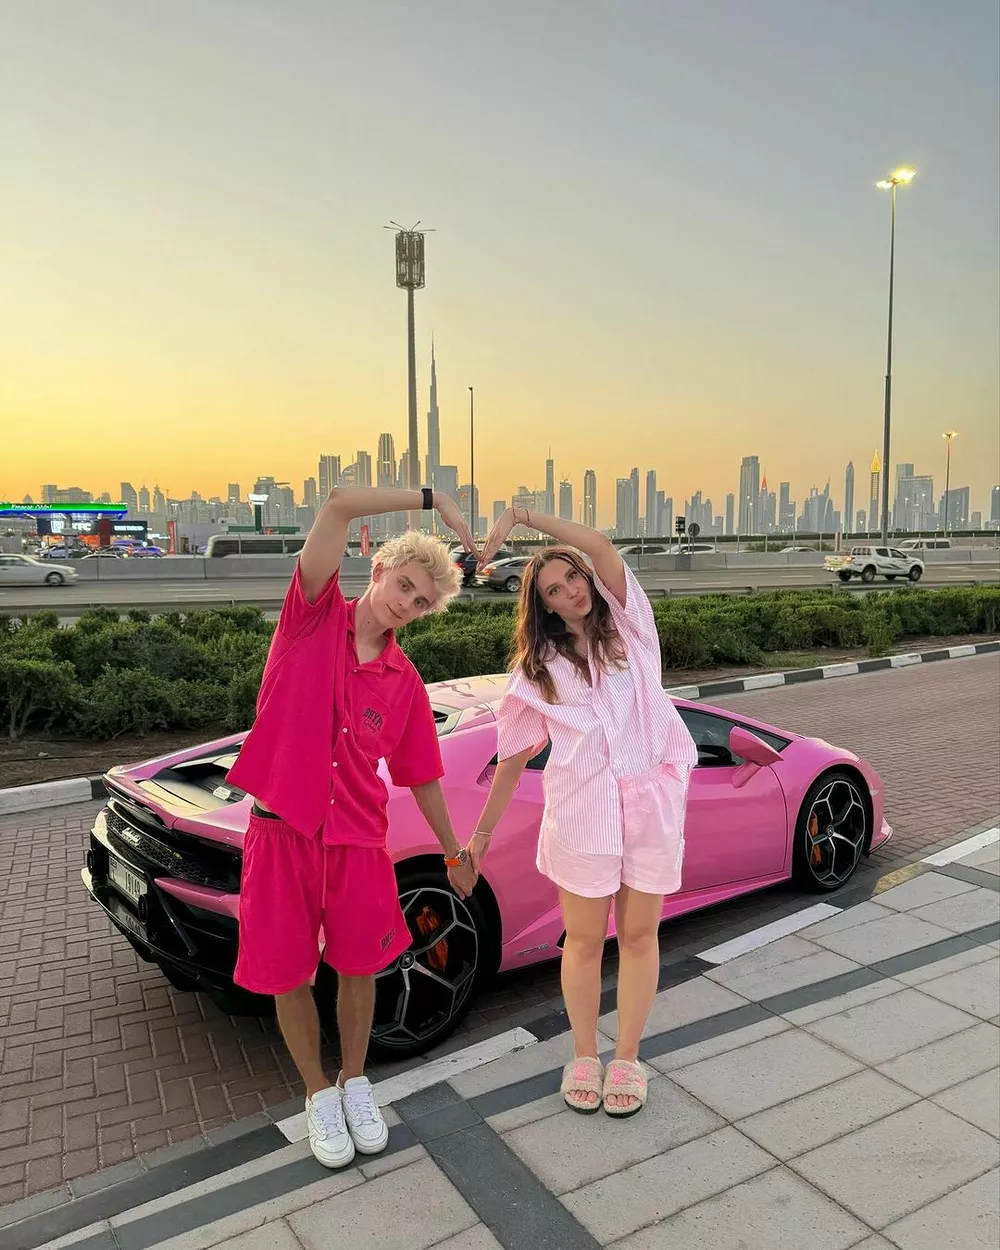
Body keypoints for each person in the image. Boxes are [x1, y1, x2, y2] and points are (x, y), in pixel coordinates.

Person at [226, 484, 480, 1169]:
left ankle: (356, 1083)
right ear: (379, 569)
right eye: (405, 585)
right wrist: (434, 499)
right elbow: (337, 505)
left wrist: (455, 851)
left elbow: (422, 775)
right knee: (289, 972)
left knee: (361, 966)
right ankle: (317, 1093)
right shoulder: (307, 618)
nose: (408, 603)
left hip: (359, 840)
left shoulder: (403, 680)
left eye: (421, 602)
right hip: (281, 831)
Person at [467, 505, 696, 1118]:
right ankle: (585, 1056)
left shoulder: (629, 627)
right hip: (583, 812)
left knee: (640, 935)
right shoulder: (537, 672)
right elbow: (512, 756)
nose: (570, 590)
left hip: (649, 802)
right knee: (586, 940)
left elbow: (599, 544)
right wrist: (481, 835)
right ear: (542, 607)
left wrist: (521, 516)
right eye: (553, 589)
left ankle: (628, 1058)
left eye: (572, 577)